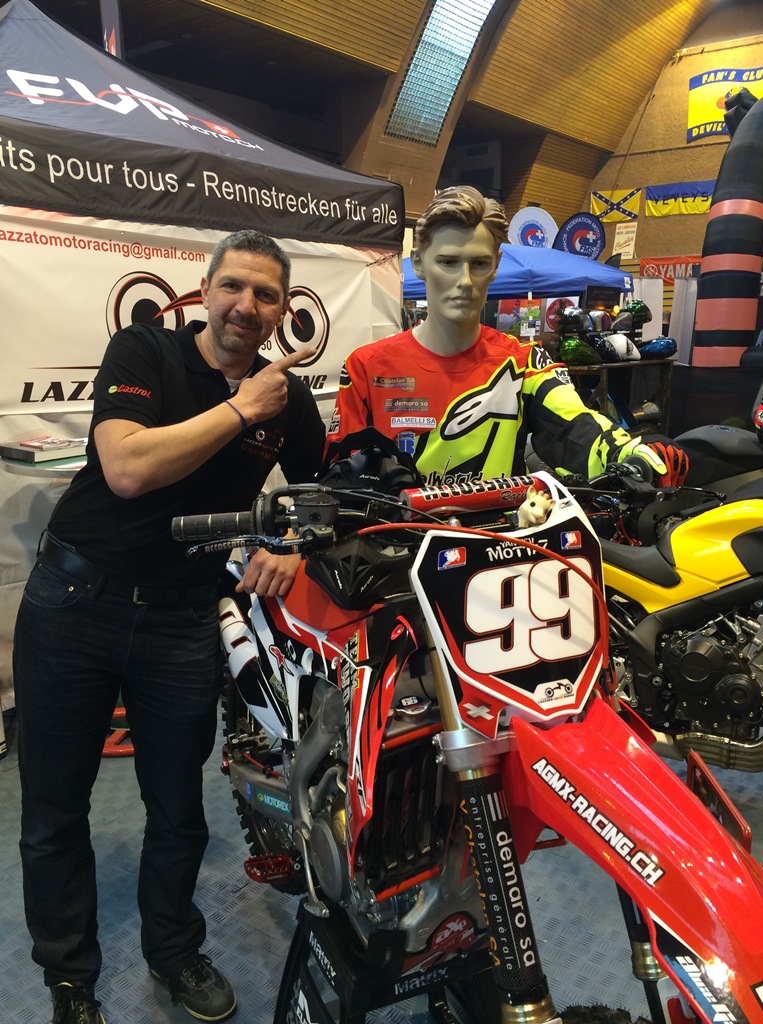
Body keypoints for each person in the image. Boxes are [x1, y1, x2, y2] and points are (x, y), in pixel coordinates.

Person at [14, 229, 325, 1024]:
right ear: (205, 291)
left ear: (281, 311)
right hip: (74, 602)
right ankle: (69, 979)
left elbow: (318, 494)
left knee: (178, 807)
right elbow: (127, 469)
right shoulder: (145, 351)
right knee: (54, 810)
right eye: (233, 286)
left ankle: (175, 950)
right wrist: (239, 409)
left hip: (183, 618)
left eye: (264, 295)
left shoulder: (287, 400)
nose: (245, 306)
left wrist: (291, 542)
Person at [326, 185, 676, 486]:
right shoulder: (366, 366)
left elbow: (575, 425)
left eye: (478, 264)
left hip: (502, 537)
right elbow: (341, 475)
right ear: (418, 263)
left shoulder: (524, 362)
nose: (464, 281)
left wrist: (630, 453)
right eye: (448, 262)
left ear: (495, 265)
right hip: (398, 538)